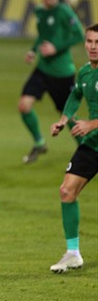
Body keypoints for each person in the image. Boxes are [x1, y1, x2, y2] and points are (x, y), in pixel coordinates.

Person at [49, 23, 98, 273]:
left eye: (97, 43)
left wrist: (91, 123)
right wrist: (64, 120)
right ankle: (72, 253)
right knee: (67, 191)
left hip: (93, 132)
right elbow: (75, 96)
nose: (92, 47)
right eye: (89, 41)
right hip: (93, 144)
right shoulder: (86, 73)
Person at [18, 0, 84, 164]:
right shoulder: (39, 11)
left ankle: (86, 150)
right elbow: (43, 35)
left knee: (67, 116)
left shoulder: (64, 11)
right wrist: (33, 51)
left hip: (62, 73)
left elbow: (79, 35)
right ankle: (39, 143)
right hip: (42, 69)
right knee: (24, 105)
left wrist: (56, 47)